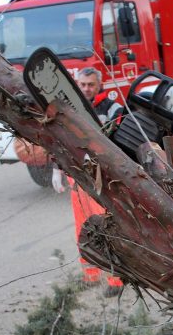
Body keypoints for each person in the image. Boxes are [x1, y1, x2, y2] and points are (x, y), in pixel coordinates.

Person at [52, 67, 124, 293]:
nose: (86, 89)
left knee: (107, 228)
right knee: (83, 228)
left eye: (90, 84)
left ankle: (117, 280)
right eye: (82, 84)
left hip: (101, 179)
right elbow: (60, 139)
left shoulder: (112, 109)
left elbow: (120, 143)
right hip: (77, 178)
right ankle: (90, 275)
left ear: (99, 85)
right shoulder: (68, 109)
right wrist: (57, 167)